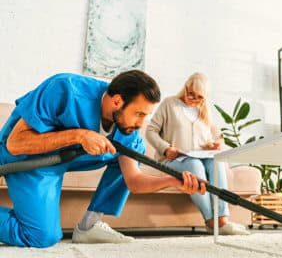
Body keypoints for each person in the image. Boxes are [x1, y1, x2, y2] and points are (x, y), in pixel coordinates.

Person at [0, 70, 206, 248]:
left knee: (129, 151)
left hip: (64, 158)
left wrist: (173, 181)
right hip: (28, 155)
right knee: (42, 237)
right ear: (117, 101)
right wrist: (80, 135)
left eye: (146, 116)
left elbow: (133, 180)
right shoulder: (65, 89)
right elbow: (15, 143)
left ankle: (89, 225)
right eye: (139, 114)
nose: (141, 124)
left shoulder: (129, 130)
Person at [146, 72, 249, 235]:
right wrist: (166, 148)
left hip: (201, 157)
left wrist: (215, 144)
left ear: (205, 98)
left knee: (217, 161)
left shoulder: (205, 110)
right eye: (190, 93)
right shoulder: (170, 104)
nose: (192, 99)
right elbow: (151, 131)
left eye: (199, 97)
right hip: (174, 160)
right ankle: (210, 220)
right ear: (186, 87)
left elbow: (216, 138)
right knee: (194, 164)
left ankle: (222, 220)